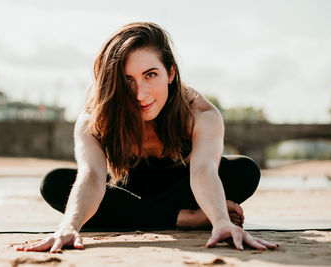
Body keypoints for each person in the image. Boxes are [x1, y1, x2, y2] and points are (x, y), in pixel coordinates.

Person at [16, 22, 279, 253]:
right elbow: (92, 175)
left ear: (171, 73)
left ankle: (166, 214)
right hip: (124, 190)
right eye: (127, 79)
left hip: (184, 188)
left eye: (150, 75)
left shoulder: (199, 114)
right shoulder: (95, 118)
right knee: (55, 184)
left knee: (244, 171)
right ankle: (186, 218)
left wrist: (221, 220)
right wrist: (69, 226)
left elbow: (203, 170)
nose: (140, 94)